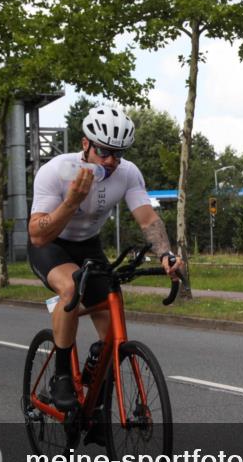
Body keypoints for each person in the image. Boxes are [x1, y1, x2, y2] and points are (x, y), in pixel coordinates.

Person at [28, 106, 183, 412]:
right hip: (52, 246)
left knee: (113, 316)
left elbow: (147, 218)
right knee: (72, 289)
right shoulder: (55, 171)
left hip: (89, 246)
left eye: (118, 154)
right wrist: (71, 202)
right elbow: (37, 234)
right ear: (86, 144)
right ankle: (61, 376)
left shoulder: (127, 173)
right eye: (104, 152)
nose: (111, 161)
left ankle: (95, 398)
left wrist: (165, 253)